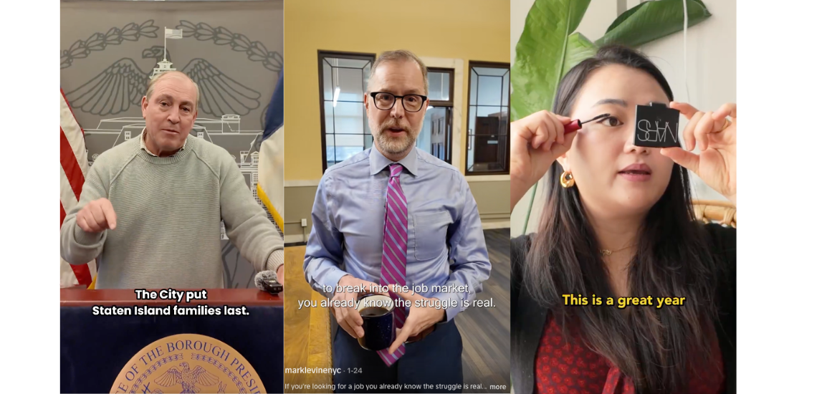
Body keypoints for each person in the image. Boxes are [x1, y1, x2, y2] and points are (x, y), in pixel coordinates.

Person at [509, 46, 736, 394]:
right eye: (611, 120)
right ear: (563, 149)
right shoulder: (520, 269)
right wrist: (512, 178)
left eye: (655, 123)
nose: (638, 144)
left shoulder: (724, 256)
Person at [304, 50, 491, 393]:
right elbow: (316, 258)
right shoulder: (335, 183)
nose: (397, 111)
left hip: (434, 345)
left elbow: (475, 263)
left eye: (411, 99)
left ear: (425, 106)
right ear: (367, 103)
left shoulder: (451, 182)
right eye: (386, 96)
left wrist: (439, 307)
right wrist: (339, 284)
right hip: (359, 344)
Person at [60, 71, 285, 289]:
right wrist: (86, 227)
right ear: (145, 106)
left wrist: (280, 264)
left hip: (197, 311)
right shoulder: (108, 165)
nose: (174, 117)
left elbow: (249, 225)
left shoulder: (218, 163)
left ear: (193, 117)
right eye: (164, 104)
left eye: (185, 108)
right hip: (123, 311)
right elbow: (72, 253)